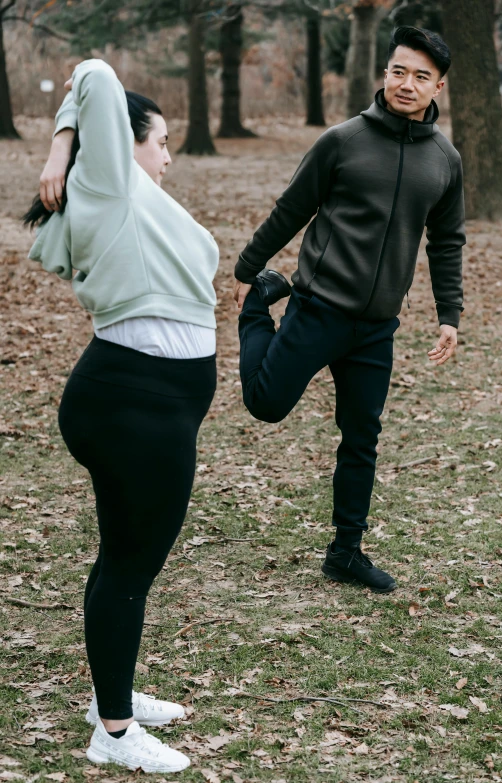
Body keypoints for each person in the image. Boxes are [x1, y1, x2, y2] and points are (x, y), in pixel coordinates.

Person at [23, 59, 219, 773]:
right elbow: (95, 72)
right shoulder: (107, 181)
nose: (168, 154)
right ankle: (113, 731)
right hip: (137, 405)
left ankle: (112, 690)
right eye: (159, 139)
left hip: (143, 402)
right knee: (132, 566)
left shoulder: (123, 196)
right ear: (121, 141)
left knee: (124, 558)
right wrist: (64, 140)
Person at [233, 26, 464, 594]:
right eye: (397, 71)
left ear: (439, 86)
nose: (406, 84)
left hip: (377, 328)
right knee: (264, 404)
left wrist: (449, 314)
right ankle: (259, 308)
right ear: (384, 74)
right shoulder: (343, 140)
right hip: (317, 308)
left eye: (420, 76)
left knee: (362, 436)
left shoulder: (445, 160)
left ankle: (346, 551)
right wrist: (247, 271)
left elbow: (447, 240)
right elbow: (292, 208)